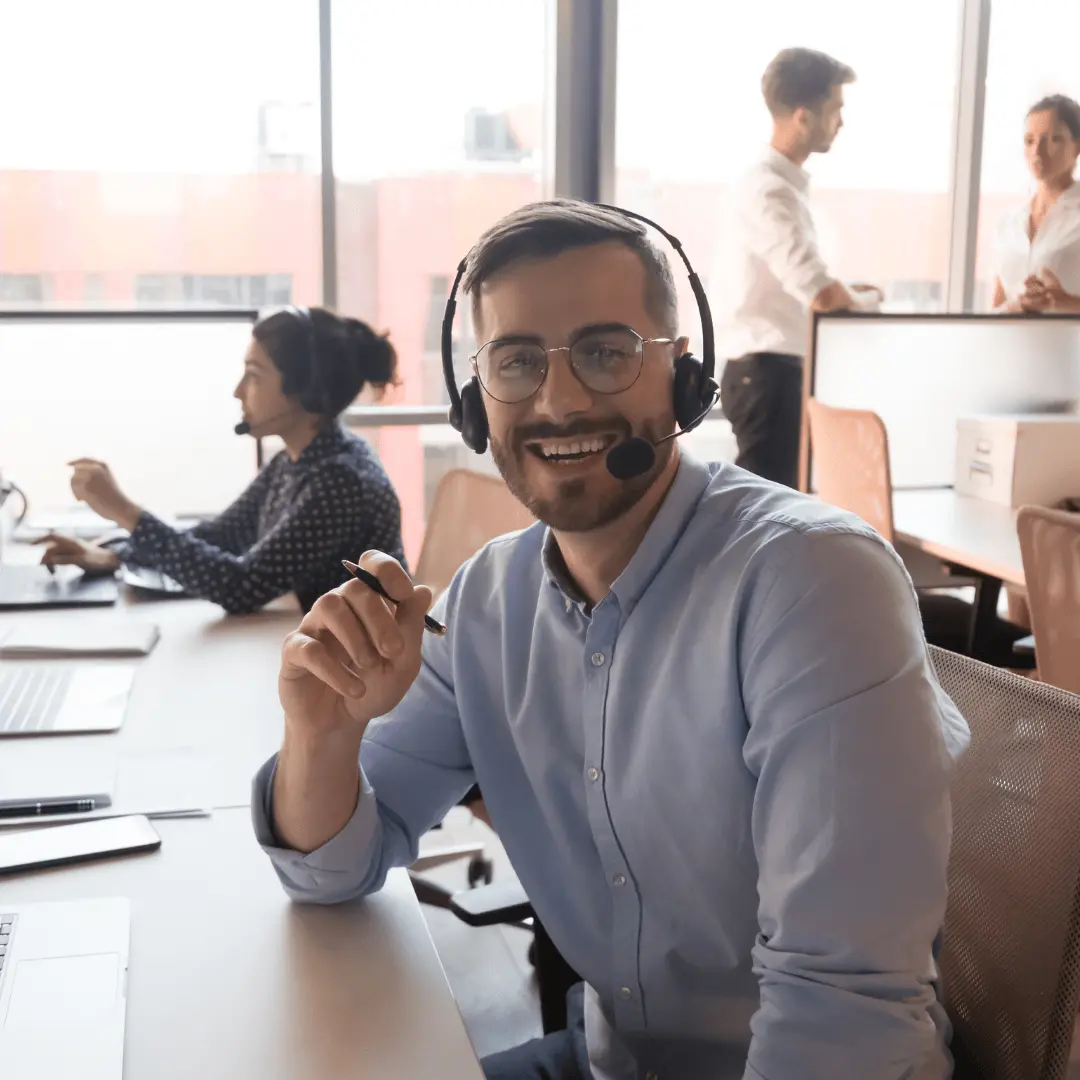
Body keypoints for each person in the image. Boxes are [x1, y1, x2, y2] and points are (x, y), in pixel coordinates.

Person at [252, 200, 968, 1080]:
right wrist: (322, 733)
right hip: (609, 1060)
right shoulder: (487, 604)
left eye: (605, 351)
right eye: (516, 361)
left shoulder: (811, 585)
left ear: (685, 378)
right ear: (478, 404)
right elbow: (332, 872)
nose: (558, 400)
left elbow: (842, 1021)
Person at [37, 306, 404, 614]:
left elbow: (240, 586)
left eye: (254, 376)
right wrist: (114, 556)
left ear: (306, 392)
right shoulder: (296, 461)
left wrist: (125, 512)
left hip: (359, 673)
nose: (238, 391)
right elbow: (222, 536)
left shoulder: (340, 481)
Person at [718, 48, 883, 488]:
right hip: (767, 378)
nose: (841, 122)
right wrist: (869, 300)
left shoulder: (783, 188)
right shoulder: (770, 192)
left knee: (770, 516)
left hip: (773, 375)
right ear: (802, 116)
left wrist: (847, 289)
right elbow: (823, 295)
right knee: (762, 526)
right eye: (835, 110)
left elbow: (806, 283)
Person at [993, 93, 1080, 314]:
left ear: (1077, 146)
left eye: (1053, 139)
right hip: (1009, 346)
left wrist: (1066, 303)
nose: (1037, 152)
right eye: (1029, 141)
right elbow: (995, 308)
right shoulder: (1008, 224)